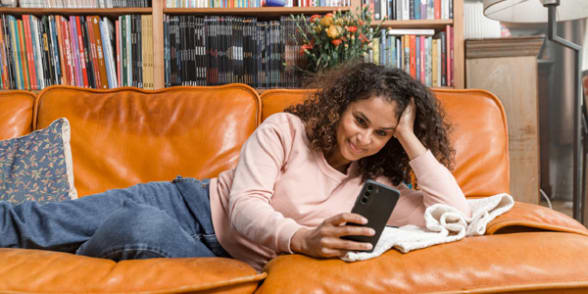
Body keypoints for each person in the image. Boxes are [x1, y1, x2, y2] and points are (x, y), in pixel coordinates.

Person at [0, 62, 470, 271]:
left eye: (380, 133)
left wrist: (410, 138)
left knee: (136, 228)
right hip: (191, 203)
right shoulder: (285, 131)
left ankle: (81, 258)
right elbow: (244, 207)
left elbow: (455, 212)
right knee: (35, 218)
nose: (363, 139)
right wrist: (302, 238)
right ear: (341, 105)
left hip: (219, 258)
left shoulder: (379, 185)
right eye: (359, 120)